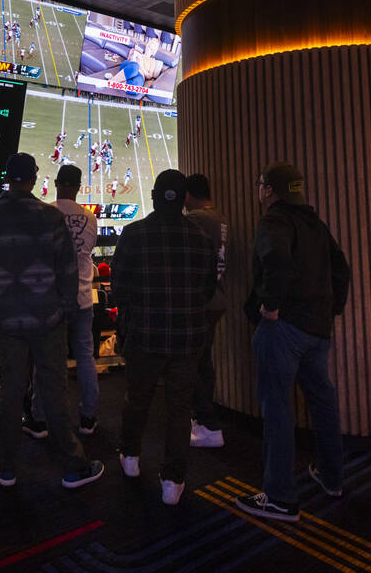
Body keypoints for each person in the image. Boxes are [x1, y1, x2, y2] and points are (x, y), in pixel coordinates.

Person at [0, 153, 104, 489]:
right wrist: (63, 312)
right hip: (48, 319)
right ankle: (73, 465)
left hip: (8, 322)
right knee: (54, 391)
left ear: (7, 176)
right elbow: (68, 272)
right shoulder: (49, 216)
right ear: (33, 178)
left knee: (11, 392)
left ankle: (6, 463)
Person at [236, 163, 350, 522]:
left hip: (285, 328)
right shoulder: (314, 222)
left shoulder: (274, 221)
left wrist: (270, 306)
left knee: (278, 410)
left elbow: (277, 262)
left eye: (259, 185)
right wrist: (332, 308)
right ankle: (332, 477)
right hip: (317, 329)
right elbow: (341, 268)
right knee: (323, 401)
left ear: (269, 189)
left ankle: (280, 497)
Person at [112, 170, 218, 506]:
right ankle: (173, 479)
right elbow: (207, 290)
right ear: (184, 198)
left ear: (156, 197)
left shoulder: (134, 233)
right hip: (187, 338)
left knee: (137, 398)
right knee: (179, 408)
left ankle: (130, 456)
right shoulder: (201, 237)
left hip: (144, 334)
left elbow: (119, 289)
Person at [24, 164, 100, 437]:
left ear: (56, 183)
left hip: (51, 298)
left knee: (47, 359)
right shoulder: (90, 219)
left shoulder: (45, 213)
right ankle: (88, 416)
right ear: (79, 187)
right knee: (85, 356)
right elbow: (87, 251)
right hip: (82, 296)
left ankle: (41, 418)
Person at [184, 173, 231, 449]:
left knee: (196, 363)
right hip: (216, 296)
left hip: (201, 300)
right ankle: (203, 419)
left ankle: (207, 423)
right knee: (203, 360)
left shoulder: (197, 219)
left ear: (188, 195)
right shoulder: (220, 217)